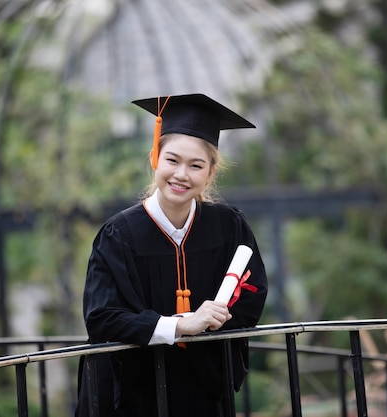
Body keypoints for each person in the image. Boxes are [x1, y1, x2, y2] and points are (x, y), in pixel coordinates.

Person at [75, 93, 268, 417]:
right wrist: (179, 326)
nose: (182, 174)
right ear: (155, 157)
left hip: (201, 390)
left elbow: (251, 291)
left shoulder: (228, 227)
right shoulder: (119, 235)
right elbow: (102, 317)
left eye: (196, 165)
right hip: (131, 396)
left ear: (210, 173)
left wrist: (213, 321)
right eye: (172, 160)